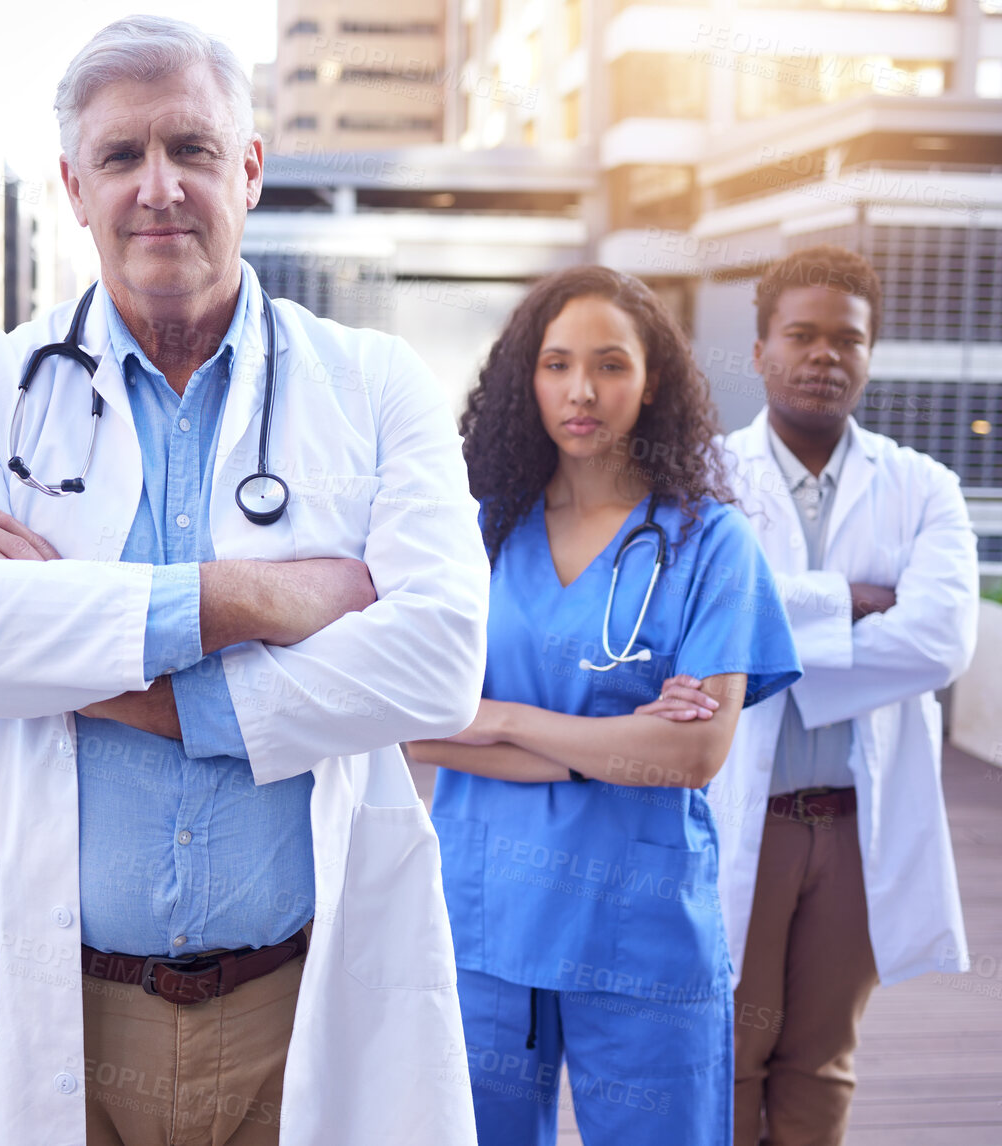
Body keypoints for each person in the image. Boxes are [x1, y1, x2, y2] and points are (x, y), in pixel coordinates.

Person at [0, 16, 490, 1146]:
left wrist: (82, 650)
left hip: (298, 1014)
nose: (158, 188)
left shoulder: (370, 382)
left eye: (192, 150)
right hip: (57, 1010)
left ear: (248, 169)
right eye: (120, 157)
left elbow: (441, 662)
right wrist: (257, 599)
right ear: (73, 185)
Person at [409, 265, 803, 1146]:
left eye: (611, 364)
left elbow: (693, 756)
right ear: (527, 377)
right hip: (483, 921)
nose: (581, 390)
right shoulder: (474, 534)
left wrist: (500, 716)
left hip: (642, 929)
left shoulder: (710, 545)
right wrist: (615, 738)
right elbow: (413, 719)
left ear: (652, 377)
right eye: (556, 364)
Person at [711, 245, 977, 1146]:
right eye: (802, 335)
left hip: (857, 824)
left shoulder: (923, 486)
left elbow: (940, 642)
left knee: (822, 1058)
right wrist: (852, 603)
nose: (825, 355)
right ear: (759, 351)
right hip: (746, 814)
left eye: (847, 340)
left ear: (870, 354)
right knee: (730, 1052)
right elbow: (697, 629)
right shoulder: (706, 482)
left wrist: (770, 629)